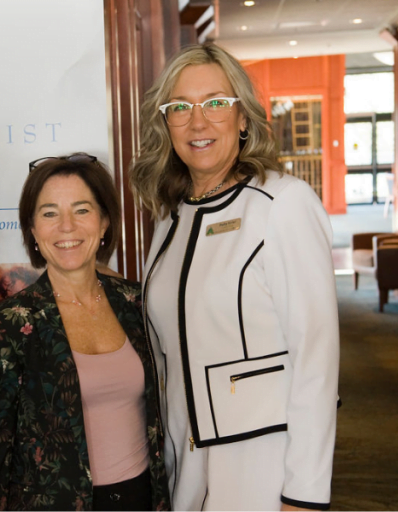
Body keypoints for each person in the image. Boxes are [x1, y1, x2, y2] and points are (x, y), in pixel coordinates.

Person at [129, 43, 340, 511]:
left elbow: (317, 357)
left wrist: (303, 493)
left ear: (243, 117)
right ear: (166, 124)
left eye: (216, 103)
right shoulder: (170, 219)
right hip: (186, 463)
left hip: (261, 464)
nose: (197, 122)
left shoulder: (282, 203)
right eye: (180, 107)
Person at [0, 154, 170, 511]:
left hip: (142, 498)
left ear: (105, 220)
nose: (67, 226)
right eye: (49, 213)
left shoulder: (140, 305)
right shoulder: (7, 326)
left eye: (82, 210)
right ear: (32, 229)